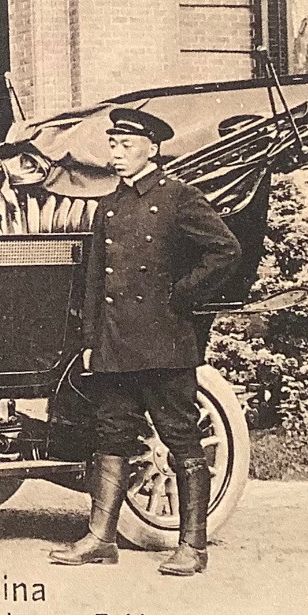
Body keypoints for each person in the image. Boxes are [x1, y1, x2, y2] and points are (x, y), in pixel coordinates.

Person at [49, 106, 240, 576]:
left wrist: (179, 296)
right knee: (111, 434)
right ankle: (100, 538)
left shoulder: (178, 197)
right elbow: (96, 278)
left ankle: (192, 546)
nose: (117, 153)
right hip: (115, 344)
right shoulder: (109, 205)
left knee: (180, 436)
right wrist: (91, 339)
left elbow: (225, 250)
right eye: (113, 145)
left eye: (126, 146)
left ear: (151, 150)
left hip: (162, 343)